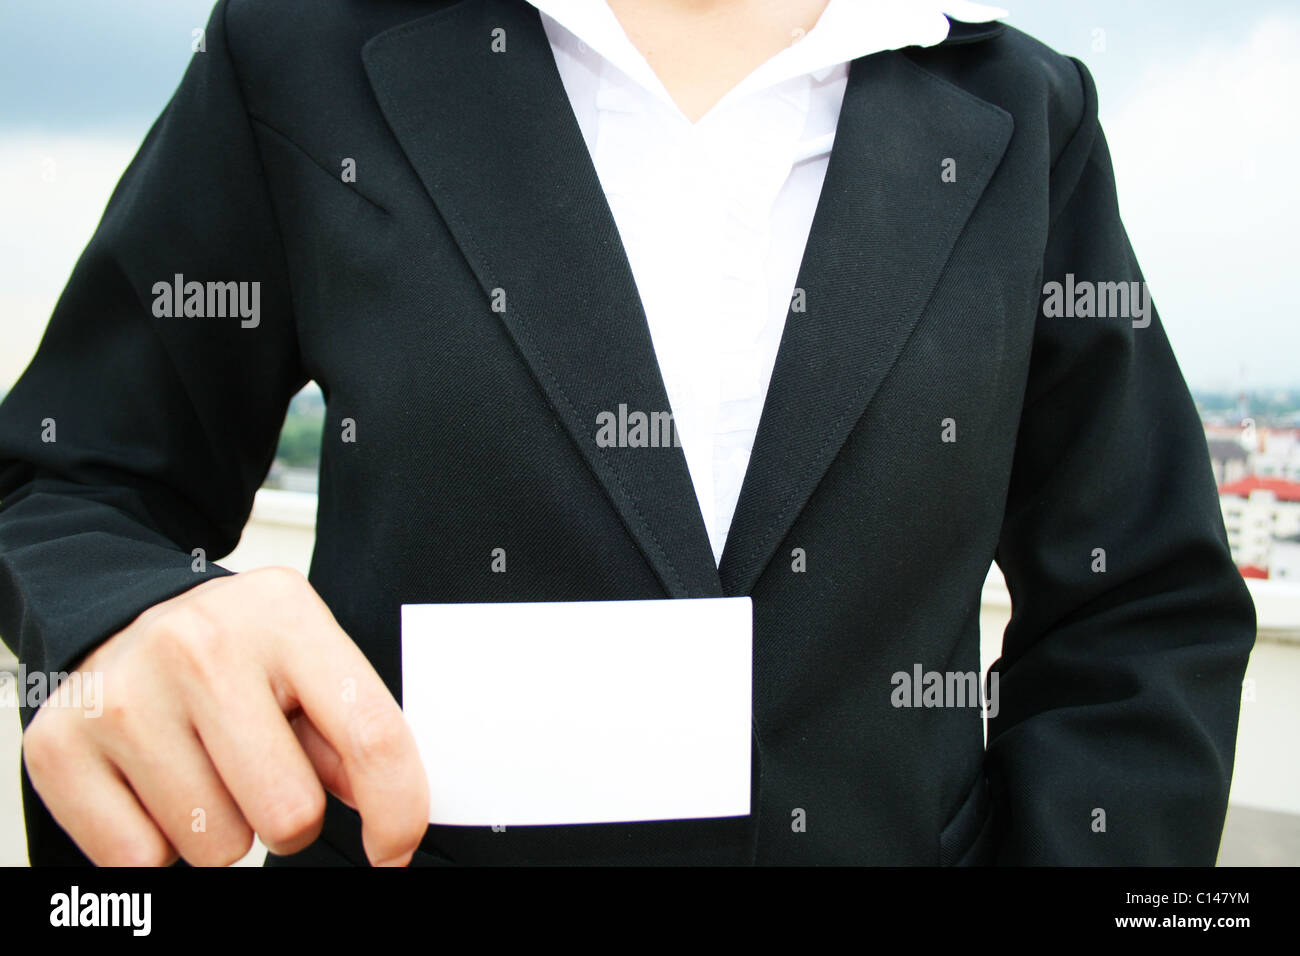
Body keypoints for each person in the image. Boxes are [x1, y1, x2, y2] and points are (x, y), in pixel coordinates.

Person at [0, 0, 1256, 867]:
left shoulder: (1023, 111)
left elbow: (1137, 602)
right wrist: (127, 613)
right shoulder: (302, 53)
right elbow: (67, 475)